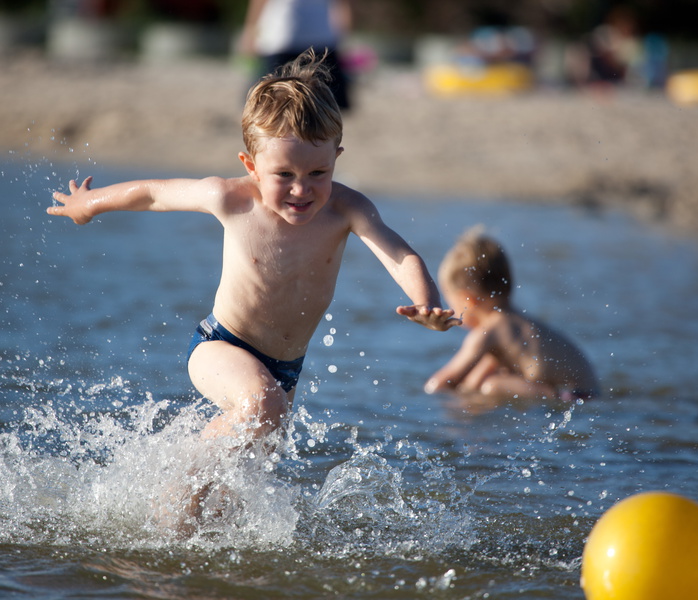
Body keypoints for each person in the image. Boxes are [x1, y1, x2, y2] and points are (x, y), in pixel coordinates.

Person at [48, 50, 458, 455]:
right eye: (284, 175)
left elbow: (400, 256)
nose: (302, 189)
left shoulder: (347, 209)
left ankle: (180, 511)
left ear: (336, 157)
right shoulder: (231, 198)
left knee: (242, 478)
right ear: (251, 165)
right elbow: (154, 193)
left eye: (318, 173)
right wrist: (92, 202)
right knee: (262, 408)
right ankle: (179, 468)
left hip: (287, 371)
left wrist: (428, 304)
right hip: (220, 345)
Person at [425, 227, 598, 403]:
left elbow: (439, 384)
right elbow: (471, 382)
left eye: (450, 302)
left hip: (568, 398)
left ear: (468, 300)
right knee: (485, 382)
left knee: (491, 386)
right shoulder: (514, 324)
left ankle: (549, 396)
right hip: (589, 392)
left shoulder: (488, 331)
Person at [240, 0, 352, 109]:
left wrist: (250, 30)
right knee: (329, 103)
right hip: (316, 35)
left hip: (284, 35)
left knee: (270, 104)